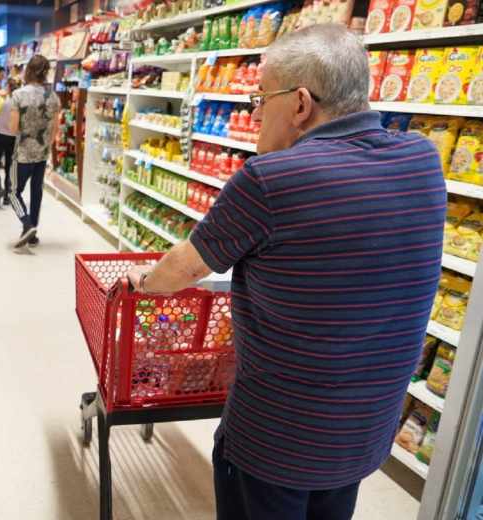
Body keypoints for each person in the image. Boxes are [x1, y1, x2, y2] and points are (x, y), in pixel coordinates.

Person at [126, 24, 445, 520]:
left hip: (276, 438)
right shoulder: (423, 159)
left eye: (260, 99)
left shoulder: (270, 181)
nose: (253, 113)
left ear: (300, 104)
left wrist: (141, 284)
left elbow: (180, 270)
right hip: (362, 432)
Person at [7, 55, 61, 248]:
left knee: (12, 192)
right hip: (42, 153)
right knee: (36, 192)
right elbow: (55, 129)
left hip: (22, 153)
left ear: (28, 70)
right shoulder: (53, 96)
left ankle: (27, 224)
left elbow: (13, 129)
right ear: (46, 72)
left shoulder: (19, 95)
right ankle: (32, 233)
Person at [0, 77, 22, 207]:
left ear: (6, 87)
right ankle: (7, 196)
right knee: (9, 167)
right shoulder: (18, 102)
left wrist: (0, 92)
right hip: (12, 138)